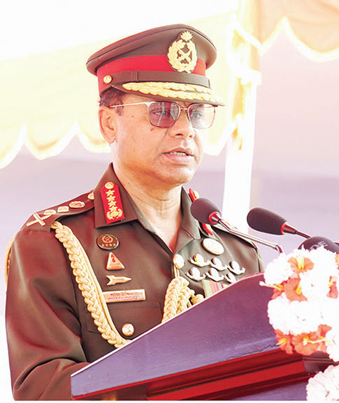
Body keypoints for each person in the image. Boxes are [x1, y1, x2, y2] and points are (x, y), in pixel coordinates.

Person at [5, 24, 265, 399]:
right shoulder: (54, 241)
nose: (184, 130)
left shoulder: (239, 251)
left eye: (196, 114)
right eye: (162, 111)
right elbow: (45, 387)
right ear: (109, 123)